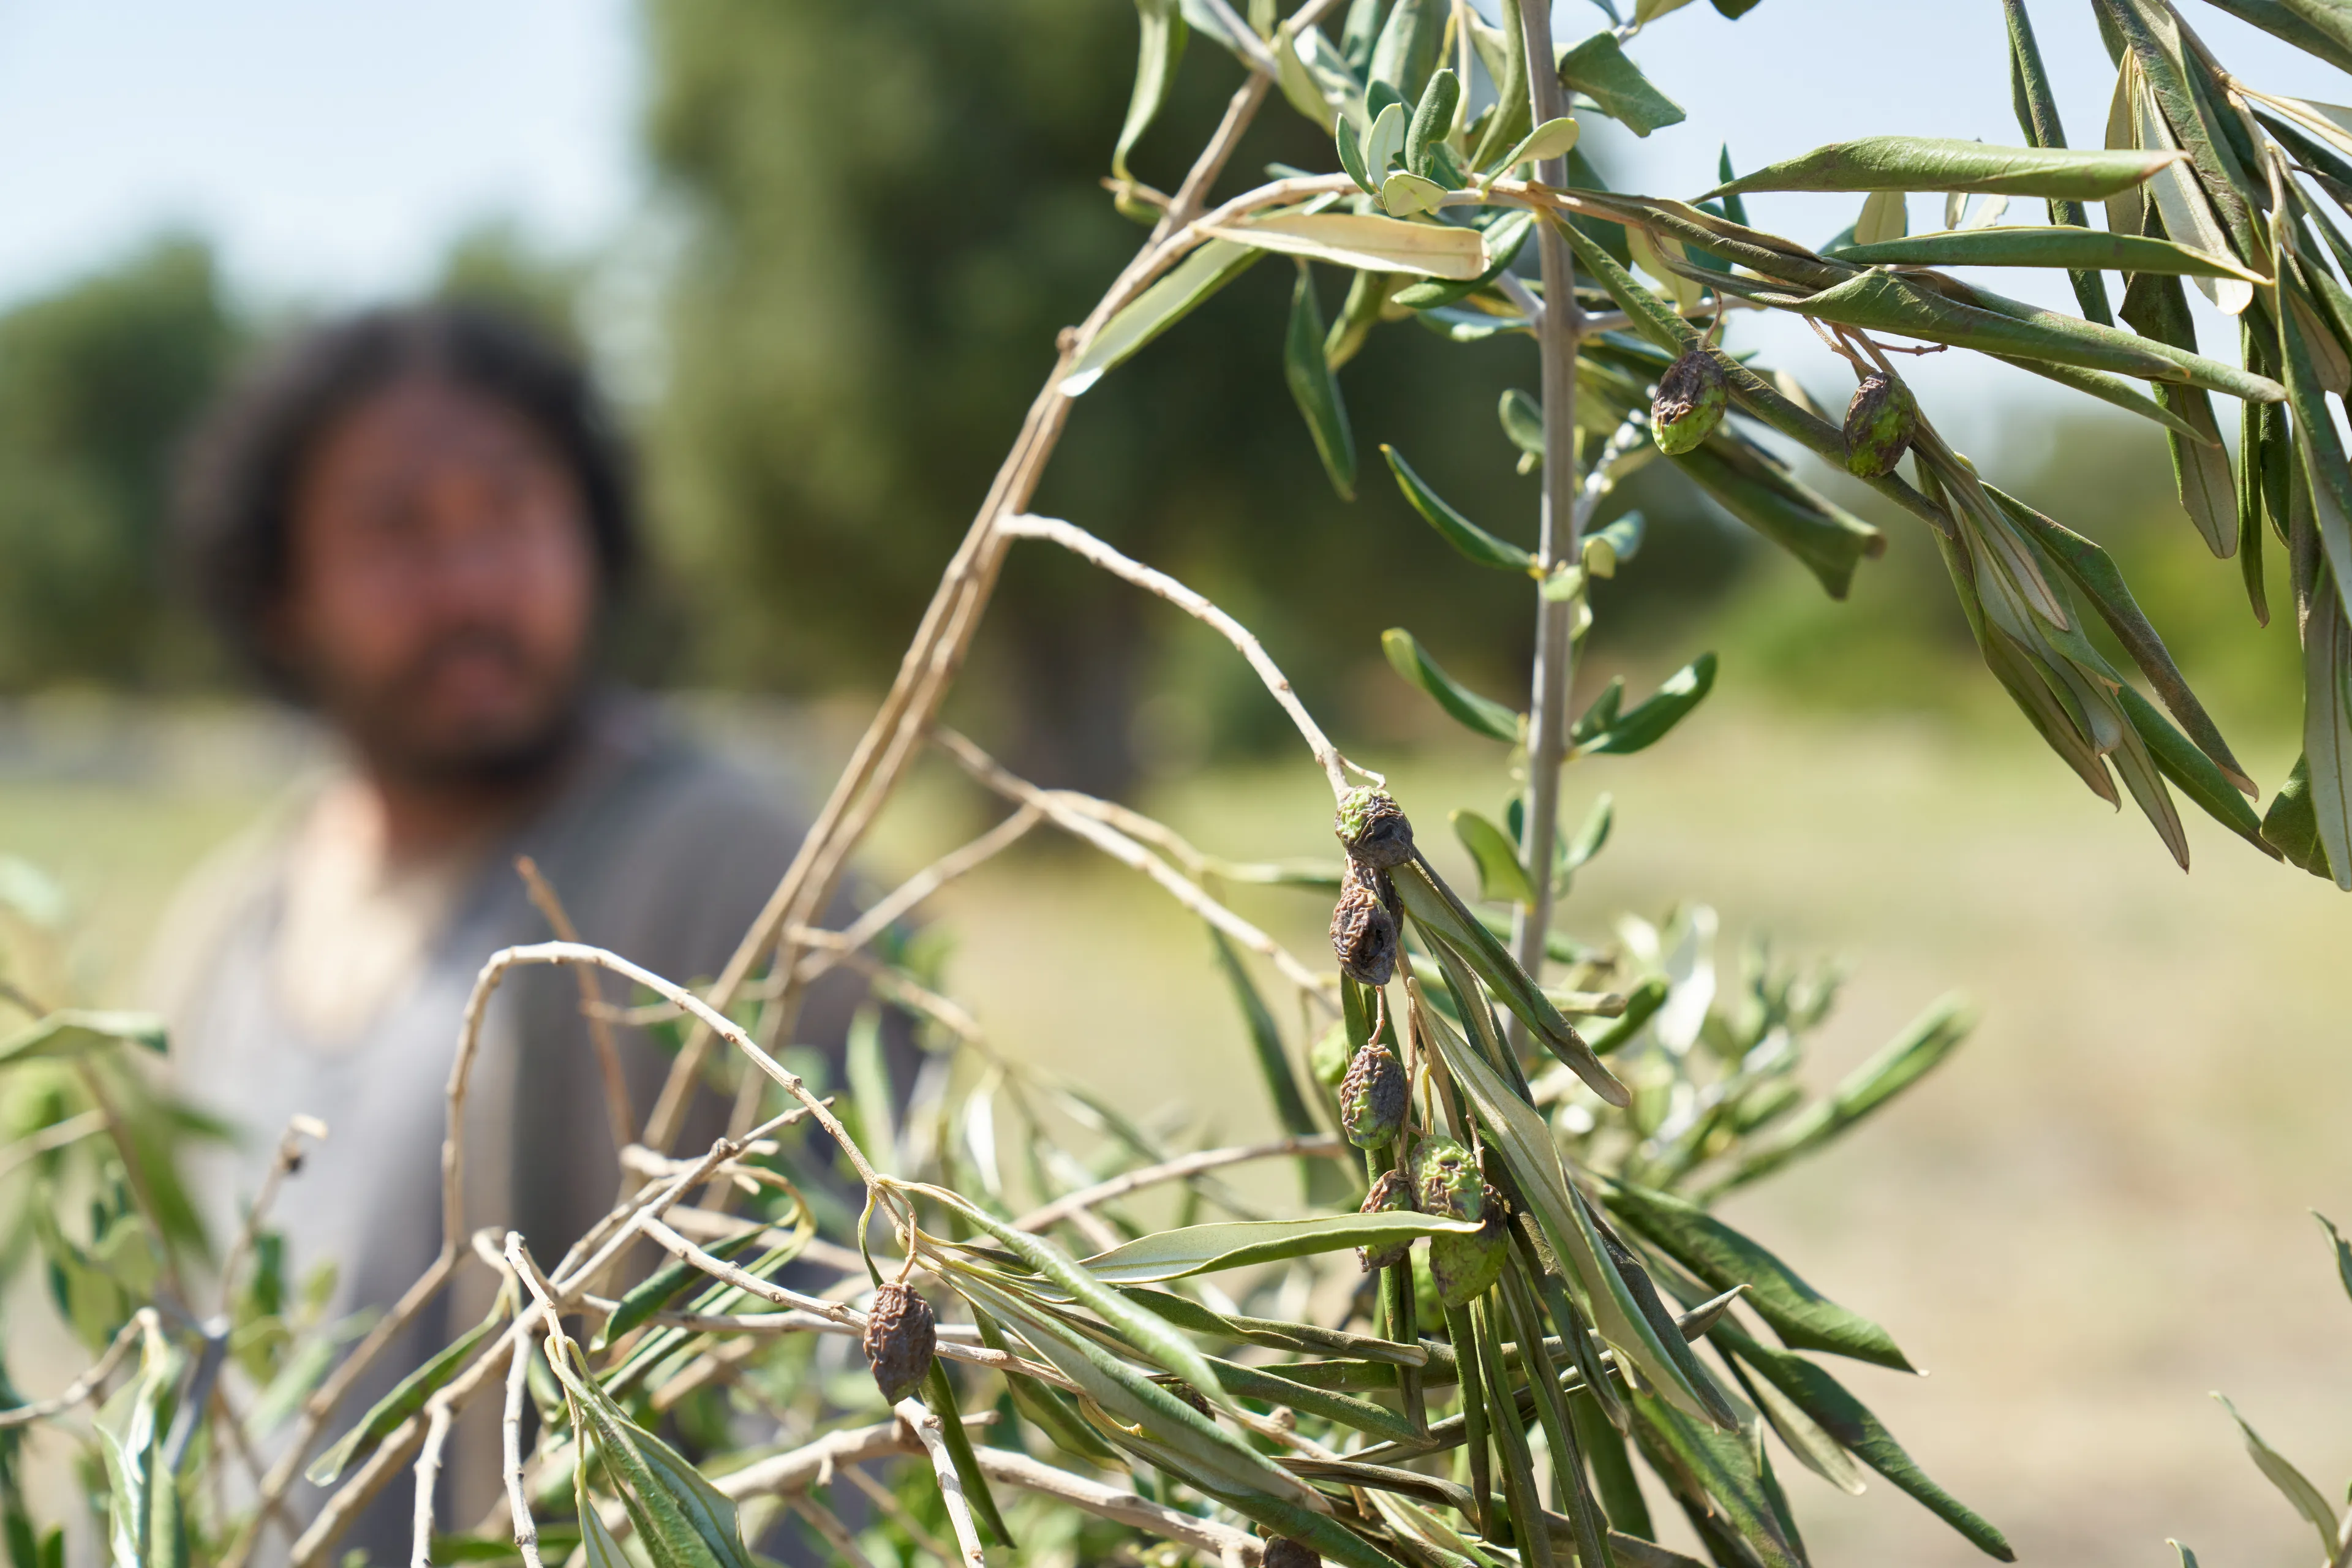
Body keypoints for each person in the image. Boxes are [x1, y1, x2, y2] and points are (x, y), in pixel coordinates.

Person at [146, 303, 872, 1558]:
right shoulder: (224, 925)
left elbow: (852, 1385)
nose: (473, 580)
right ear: (282, 592)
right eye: (396, 529)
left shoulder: (729, 872)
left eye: (515, 512)